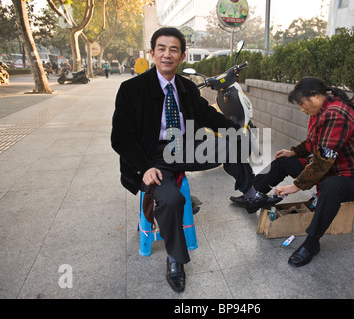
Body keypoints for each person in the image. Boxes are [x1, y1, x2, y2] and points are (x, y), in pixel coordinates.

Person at [111, 27, 280, 293]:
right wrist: (143, 168)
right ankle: (175, 259)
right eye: (162, 49)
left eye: (174, 50)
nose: (167, 55)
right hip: (152, 157)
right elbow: (120, 138)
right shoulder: (131, 90)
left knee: (235, 142)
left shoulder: (187, 88)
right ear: (153, 52)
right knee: (170, 199)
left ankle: (249, 193)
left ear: (182, 55)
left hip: (184, 146)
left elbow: (208, 116)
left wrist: (237, 131)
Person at [231, 76, 354, 267]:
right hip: (332, 169)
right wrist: (294, 152)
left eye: (302, 104)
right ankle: (253, 195)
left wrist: (296, 186)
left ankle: (312, 243)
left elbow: (323, 160)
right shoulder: (323, 108)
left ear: (315, 96)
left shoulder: (336, 114)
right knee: (283, 161)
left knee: (330, 186)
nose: (302, 109)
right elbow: (314, 142)